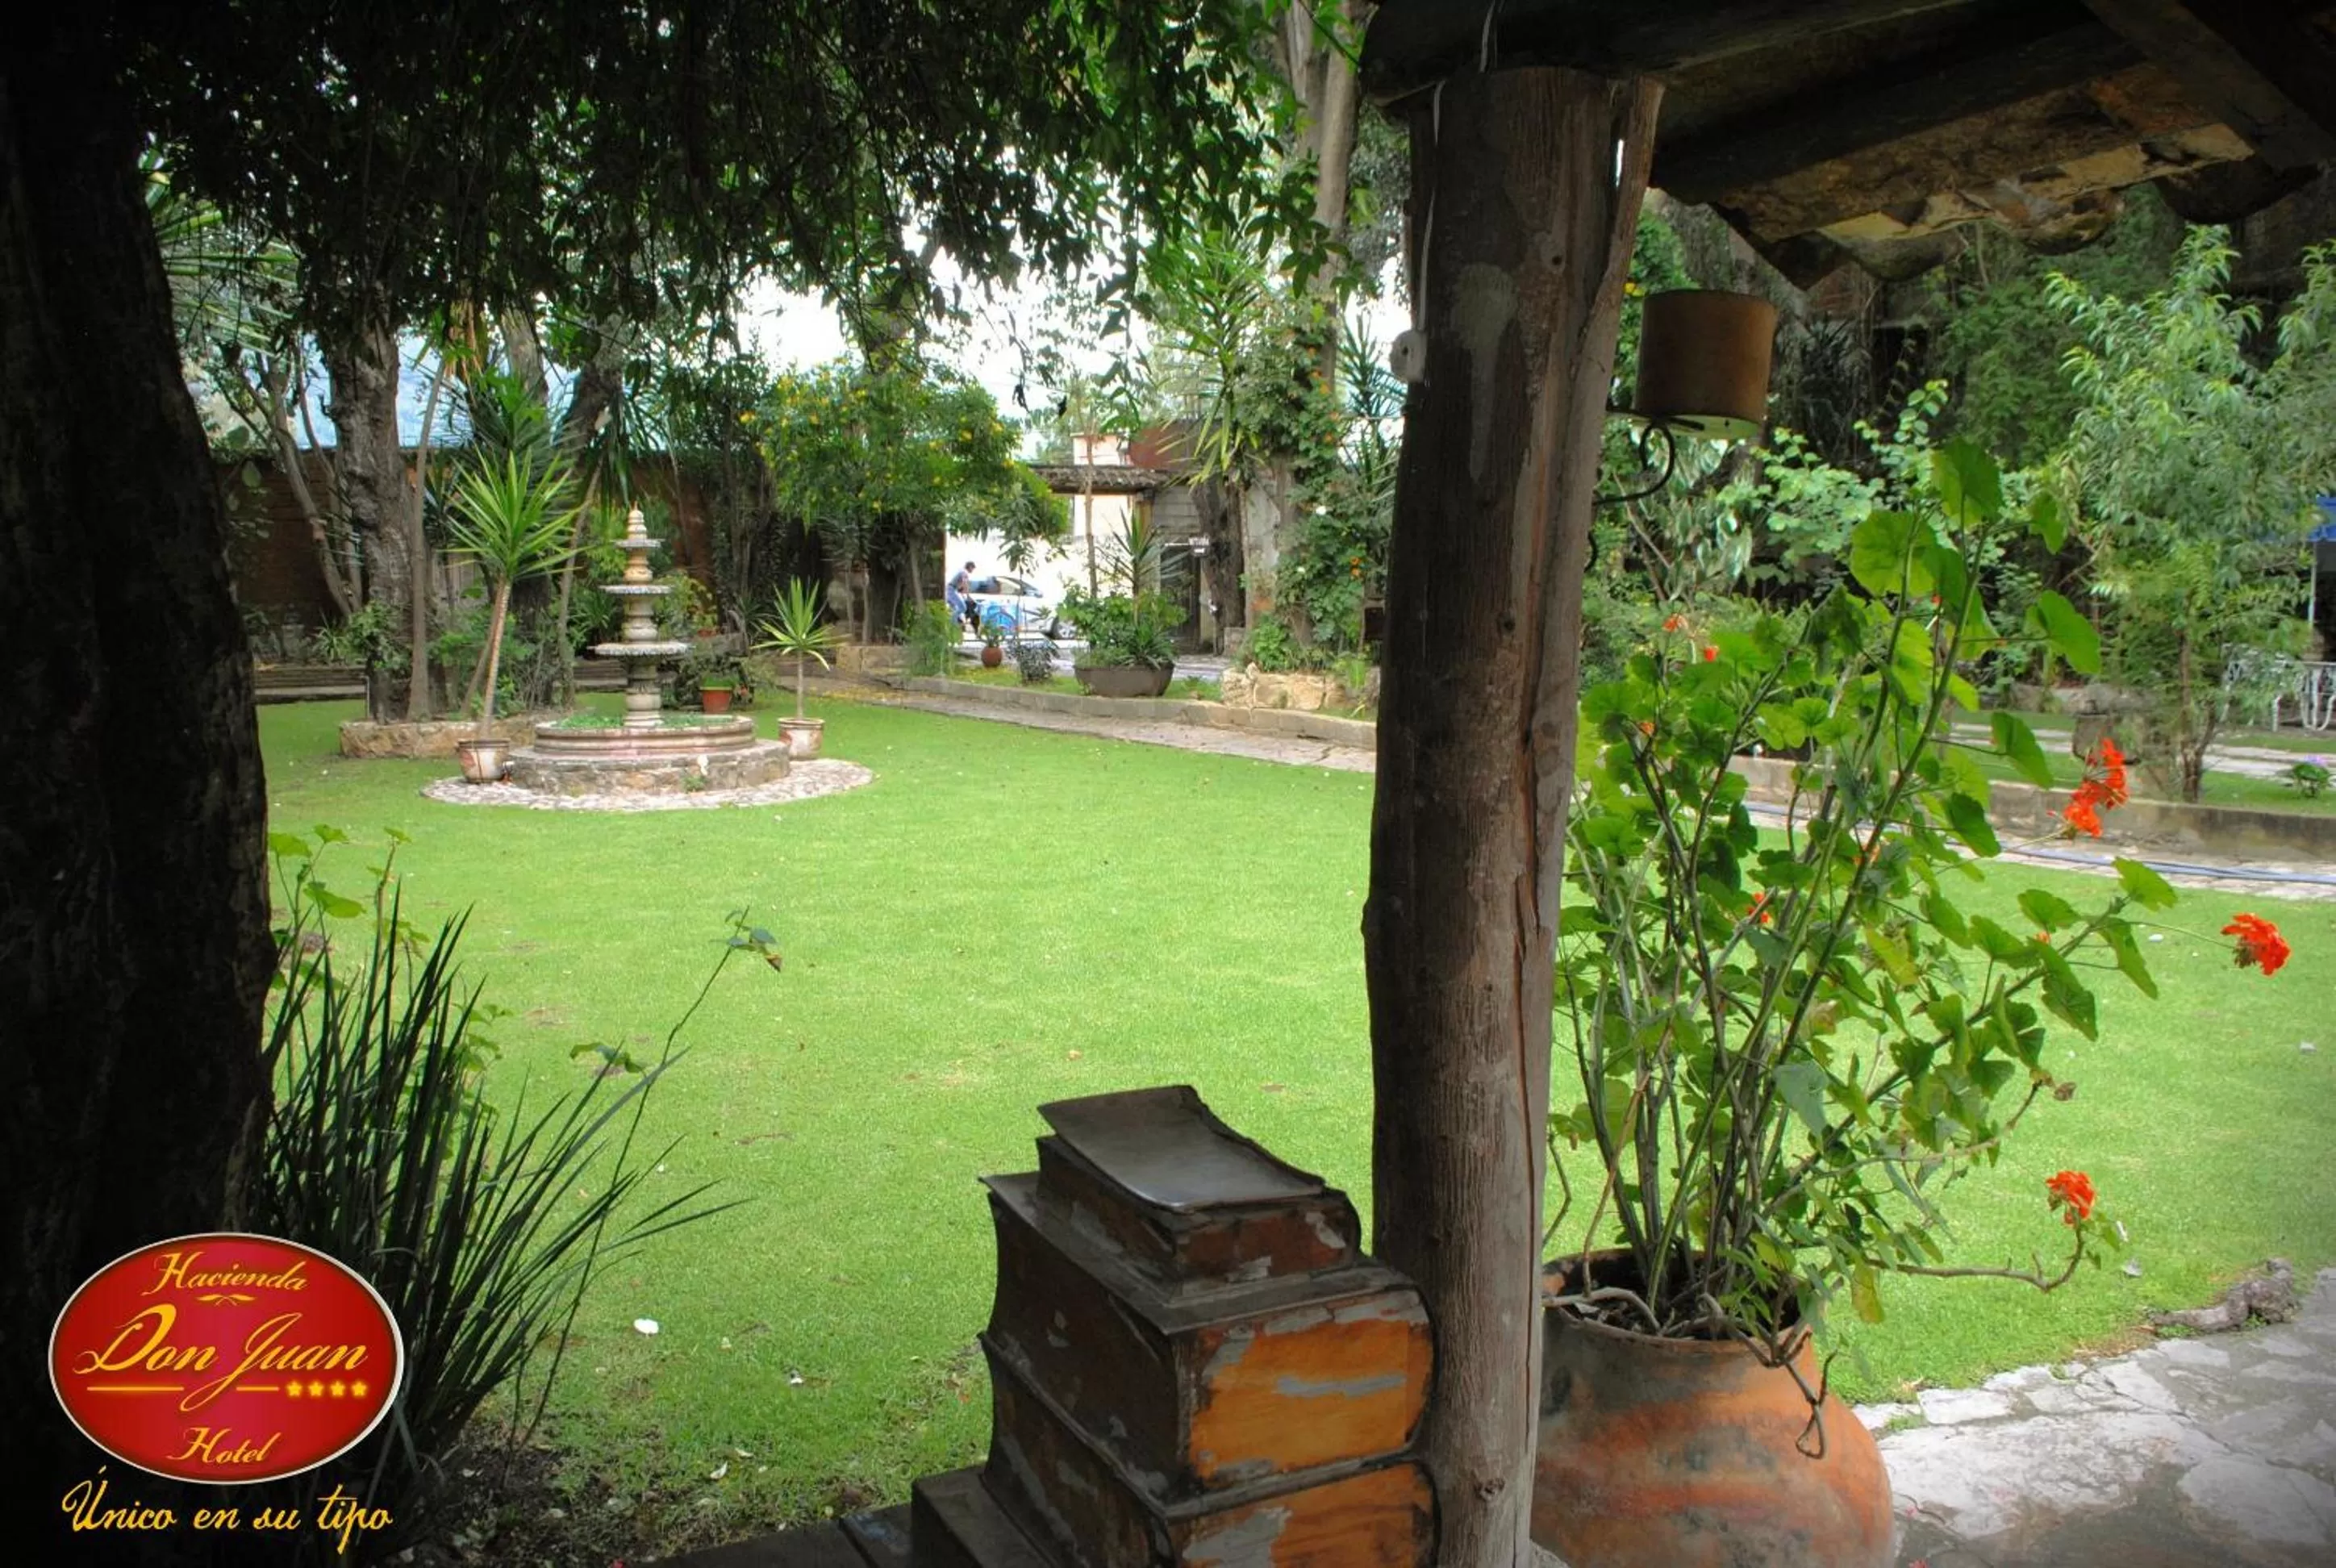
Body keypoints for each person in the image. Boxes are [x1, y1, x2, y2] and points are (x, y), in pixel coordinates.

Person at [949, 561, 978, 634]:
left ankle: (954, 627)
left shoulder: (961, 571)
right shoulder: (964, 572)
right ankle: (951, 624)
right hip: (951, 590)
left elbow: (961, 586)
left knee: (955, 609)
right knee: (963, 608)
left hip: (952, 590)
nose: (973, 570)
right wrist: (968, 596)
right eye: (973, 568)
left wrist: (963, 595)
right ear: (970, 567)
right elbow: (965, 583)